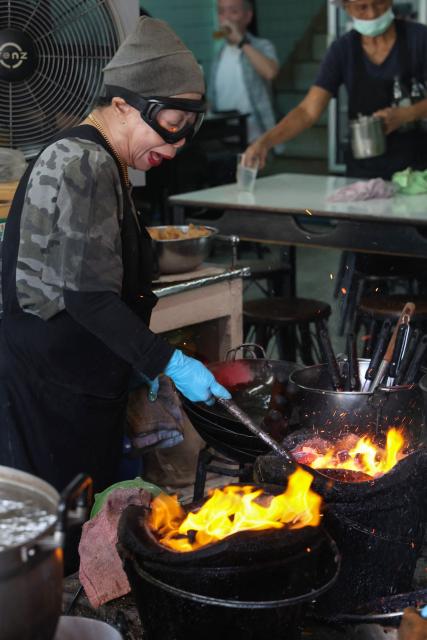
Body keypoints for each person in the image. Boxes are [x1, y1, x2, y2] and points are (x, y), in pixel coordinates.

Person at [0, 16, 231, 494]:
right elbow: (88, 298)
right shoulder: (84, 162)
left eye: (189, 127)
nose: (178, 142)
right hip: (52, 389)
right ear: (123, 106)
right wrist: (166, 361)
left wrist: (134, 361)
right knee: (62, 535)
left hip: (76, 376)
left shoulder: (102, 159)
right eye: (171, 124)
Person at [245, 0, 427, 179]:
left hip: (419, 169)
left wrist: (407, 114)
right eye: (361, 7)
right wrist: (265, 142)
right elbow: (308, 111)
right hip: (365, 169)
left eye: (379, 3)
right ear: (347, 8)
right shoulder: (342, 50)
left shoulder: (419, 38)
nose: (372, 13)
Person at [209, 0, 282, 148]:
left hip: (257, 140)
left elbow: (270, 72)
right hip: (225, 138)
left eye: (233, 11)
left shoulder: (262, 45)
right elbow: (212, 97)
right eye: (221, 12)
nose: (226, 18)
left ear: (248, 17)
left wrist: (241, 41)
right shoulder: (219, 54)